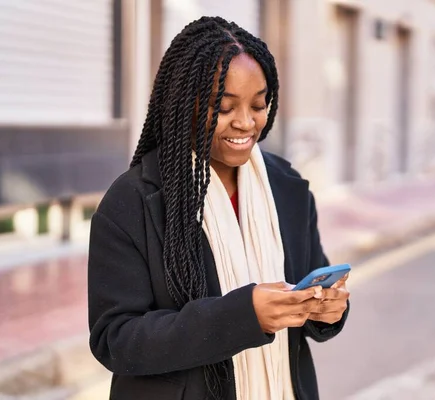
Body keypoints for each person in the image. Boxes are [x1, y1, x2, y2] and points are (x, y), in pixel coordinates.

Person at [87, 16, 350, 400]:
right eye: (224, 107)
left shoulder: (287, 186)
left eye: (259, 104)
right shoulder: (131, 203)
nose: (246, 122)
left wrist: (328, 310)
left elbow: (310, 283)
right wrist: (244, 317)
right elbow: (116, 339)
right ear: (182, 102)